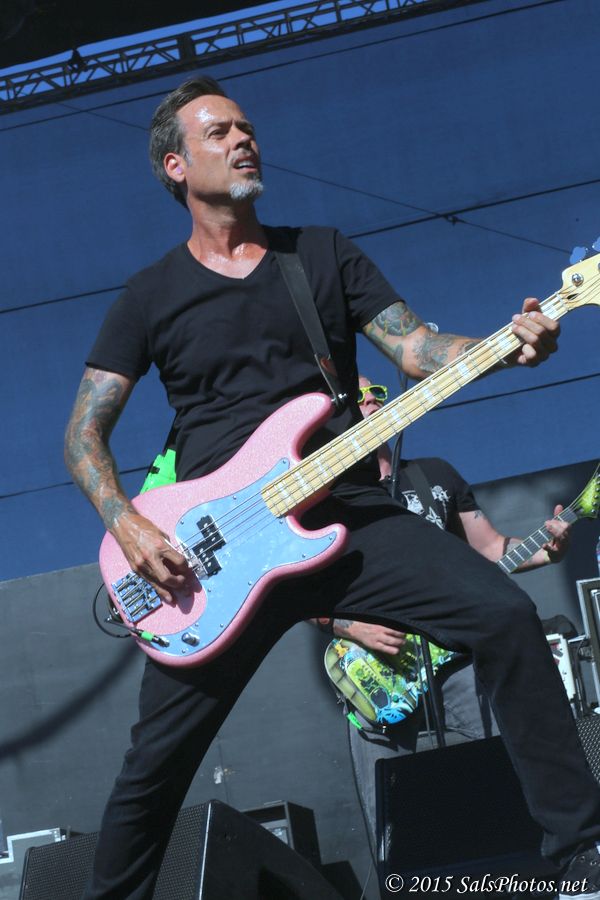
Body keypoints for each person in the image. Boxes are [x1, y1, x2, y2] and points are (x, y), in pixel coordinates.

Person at [63, 76, 600, 900]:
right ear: (176, 165)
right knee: (155, 764)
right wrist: (128, 524)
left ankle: (580, 851)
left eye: (246, 127)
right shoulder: (150, 296)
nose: (244, 139)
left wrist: (508, 342)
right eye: (219, 132)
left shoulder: (318, 253)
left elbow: (415, 349)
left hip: (349, 518)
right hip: (215, 556)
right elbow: (82, 434)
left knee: (503, 615)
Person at [321, 376, 571, 855]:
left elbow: (492, 549)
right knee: (388, 808)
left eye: (375, 394)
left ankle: (536, 860)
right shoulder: (327, 501)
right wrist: (349, 626)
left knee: (511, 754)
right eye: (355, 398)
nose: (368, 402)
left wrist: (547, 548)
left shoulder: (432, 475)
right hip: (373, 665)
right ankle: (401, 878)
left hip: (452, 652)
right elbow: (302, 590)